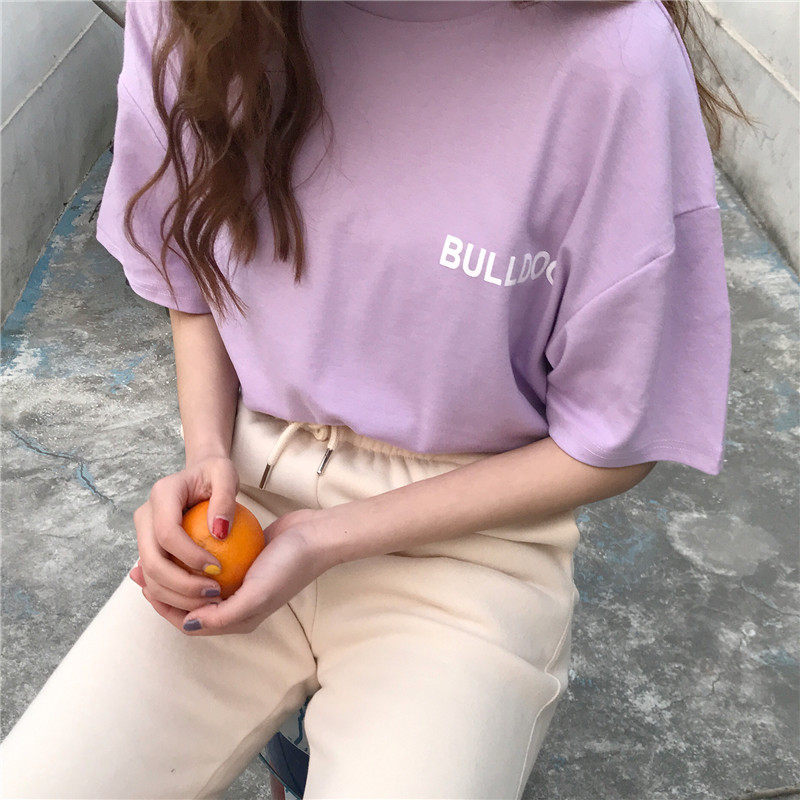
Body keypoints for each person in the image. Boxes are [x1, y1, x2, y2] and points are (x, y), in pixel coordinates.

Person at [0, 1, 747, 798]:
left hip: (472, 546)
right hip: (246, 509)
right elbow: (191, 276)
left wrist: (327, 538)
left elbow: (613, 436)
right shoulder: (205, 12)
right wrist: (208, 454)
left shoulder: (613, 54)